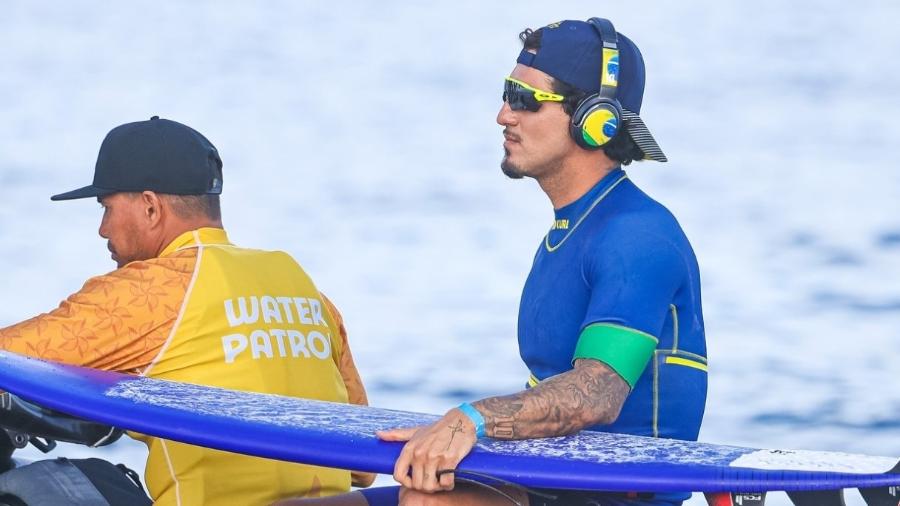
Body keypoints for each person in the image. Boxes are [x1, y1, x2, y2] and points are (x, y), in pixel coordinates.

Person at [374, 17, 708, 506]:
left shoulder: (638, 236)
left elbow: (598, 393)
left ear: (595, 120)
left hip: (615, 497)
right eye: (507, 92)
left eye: (525, 99)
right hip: (549, 483)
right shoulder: (571, 230)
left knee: (427, 502)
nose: (503, 115)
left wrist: (472, 418)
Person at [0, 116, 374, 505]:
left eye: (106, 207)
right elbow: (360, 466)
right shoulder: (305, 289)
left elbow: (9, 360)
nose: (102, 229)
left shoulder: (150, 290)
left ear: (150, 207)